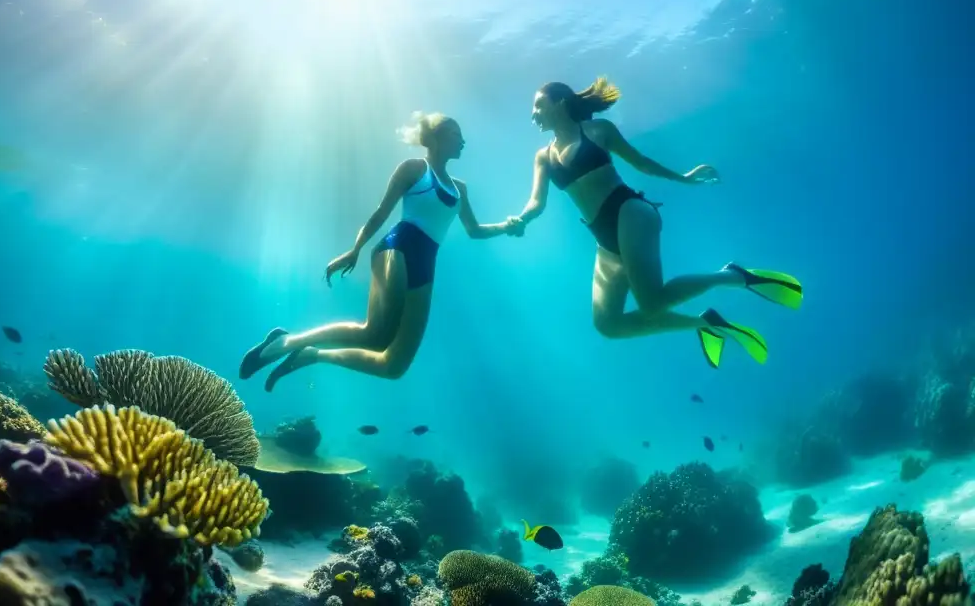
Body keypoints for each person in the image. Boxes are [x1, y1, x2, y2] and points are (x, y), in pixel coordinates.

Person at [509, 79, 802, 368]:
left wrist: (684, 178)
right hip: (603, 236)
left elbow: (641, 163)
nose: (533, 114)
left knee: (651, 304)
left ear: (560, 103)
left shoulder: (598, 130)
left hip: (629, 211)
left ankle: (732, 276)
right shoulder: (542, 157)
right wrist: (521, 218)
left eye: (538, 106)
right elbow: (537, 202)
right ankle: (706, 324)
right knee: (608, 325)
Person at [240, 112, 522, 389]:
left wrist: (507, 226)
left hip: (426, 265)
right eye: (455, 135)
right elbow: (380, 213)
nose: (463, 141)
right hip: (397, 248)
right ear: (435, 139)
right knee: (375, 335)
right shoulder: (414, 169)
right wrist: (355, 250)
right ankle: (285, 343)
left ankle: (313, 355)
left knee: (393, 366)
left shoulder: (460, 188)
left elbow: (475, 230)